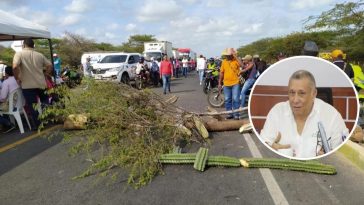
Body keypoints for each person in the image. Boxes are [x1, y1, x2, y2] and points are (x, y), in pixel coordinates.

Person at [259, 70, 348, 158]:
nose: (295, 100)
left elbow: (345, 155)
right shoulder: (277, 112)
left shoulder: (332, 116)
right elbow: (262, 146)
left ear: (314, 94)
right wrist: (269, 150)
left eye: (302, 93)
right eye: (292, 93)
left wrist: (331, 158)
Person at [12, 38, 53, 129]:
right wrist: (45, 74)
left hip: (27, 85)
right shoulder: (40, 55)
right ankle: (47, 119)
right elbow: (49, 65)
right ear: (33, 45)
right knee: (45, 101)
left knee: (32, 105)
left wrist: (17, 78)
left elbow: (15, 67)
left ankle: (38, 125)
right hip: (41, 83)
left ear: (23, 45)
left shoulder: (19, 54)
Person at [218, 48, 244, 120]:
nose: (227, 56)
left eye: (229, 55)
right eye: (226, 55)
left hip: (236, 83)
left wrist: (235, 56)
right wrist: (219, 83)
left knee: (236, 99)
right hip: (226, 83)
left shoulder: (236, 60)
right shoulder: (224, 62)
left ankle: (236, 114)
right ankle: (229, 114)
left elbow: (242, 65)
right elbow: (221, 73)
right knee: (227, 99)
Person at [0, 66, 19, 133]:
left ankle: (8, 124)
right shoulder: (16, 80)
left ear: (6, 73)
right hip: (18, 104)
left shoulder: (6, 82)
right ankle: (6, 124)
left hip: (10, 105)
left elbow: (2, 97)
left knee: (2, 105)